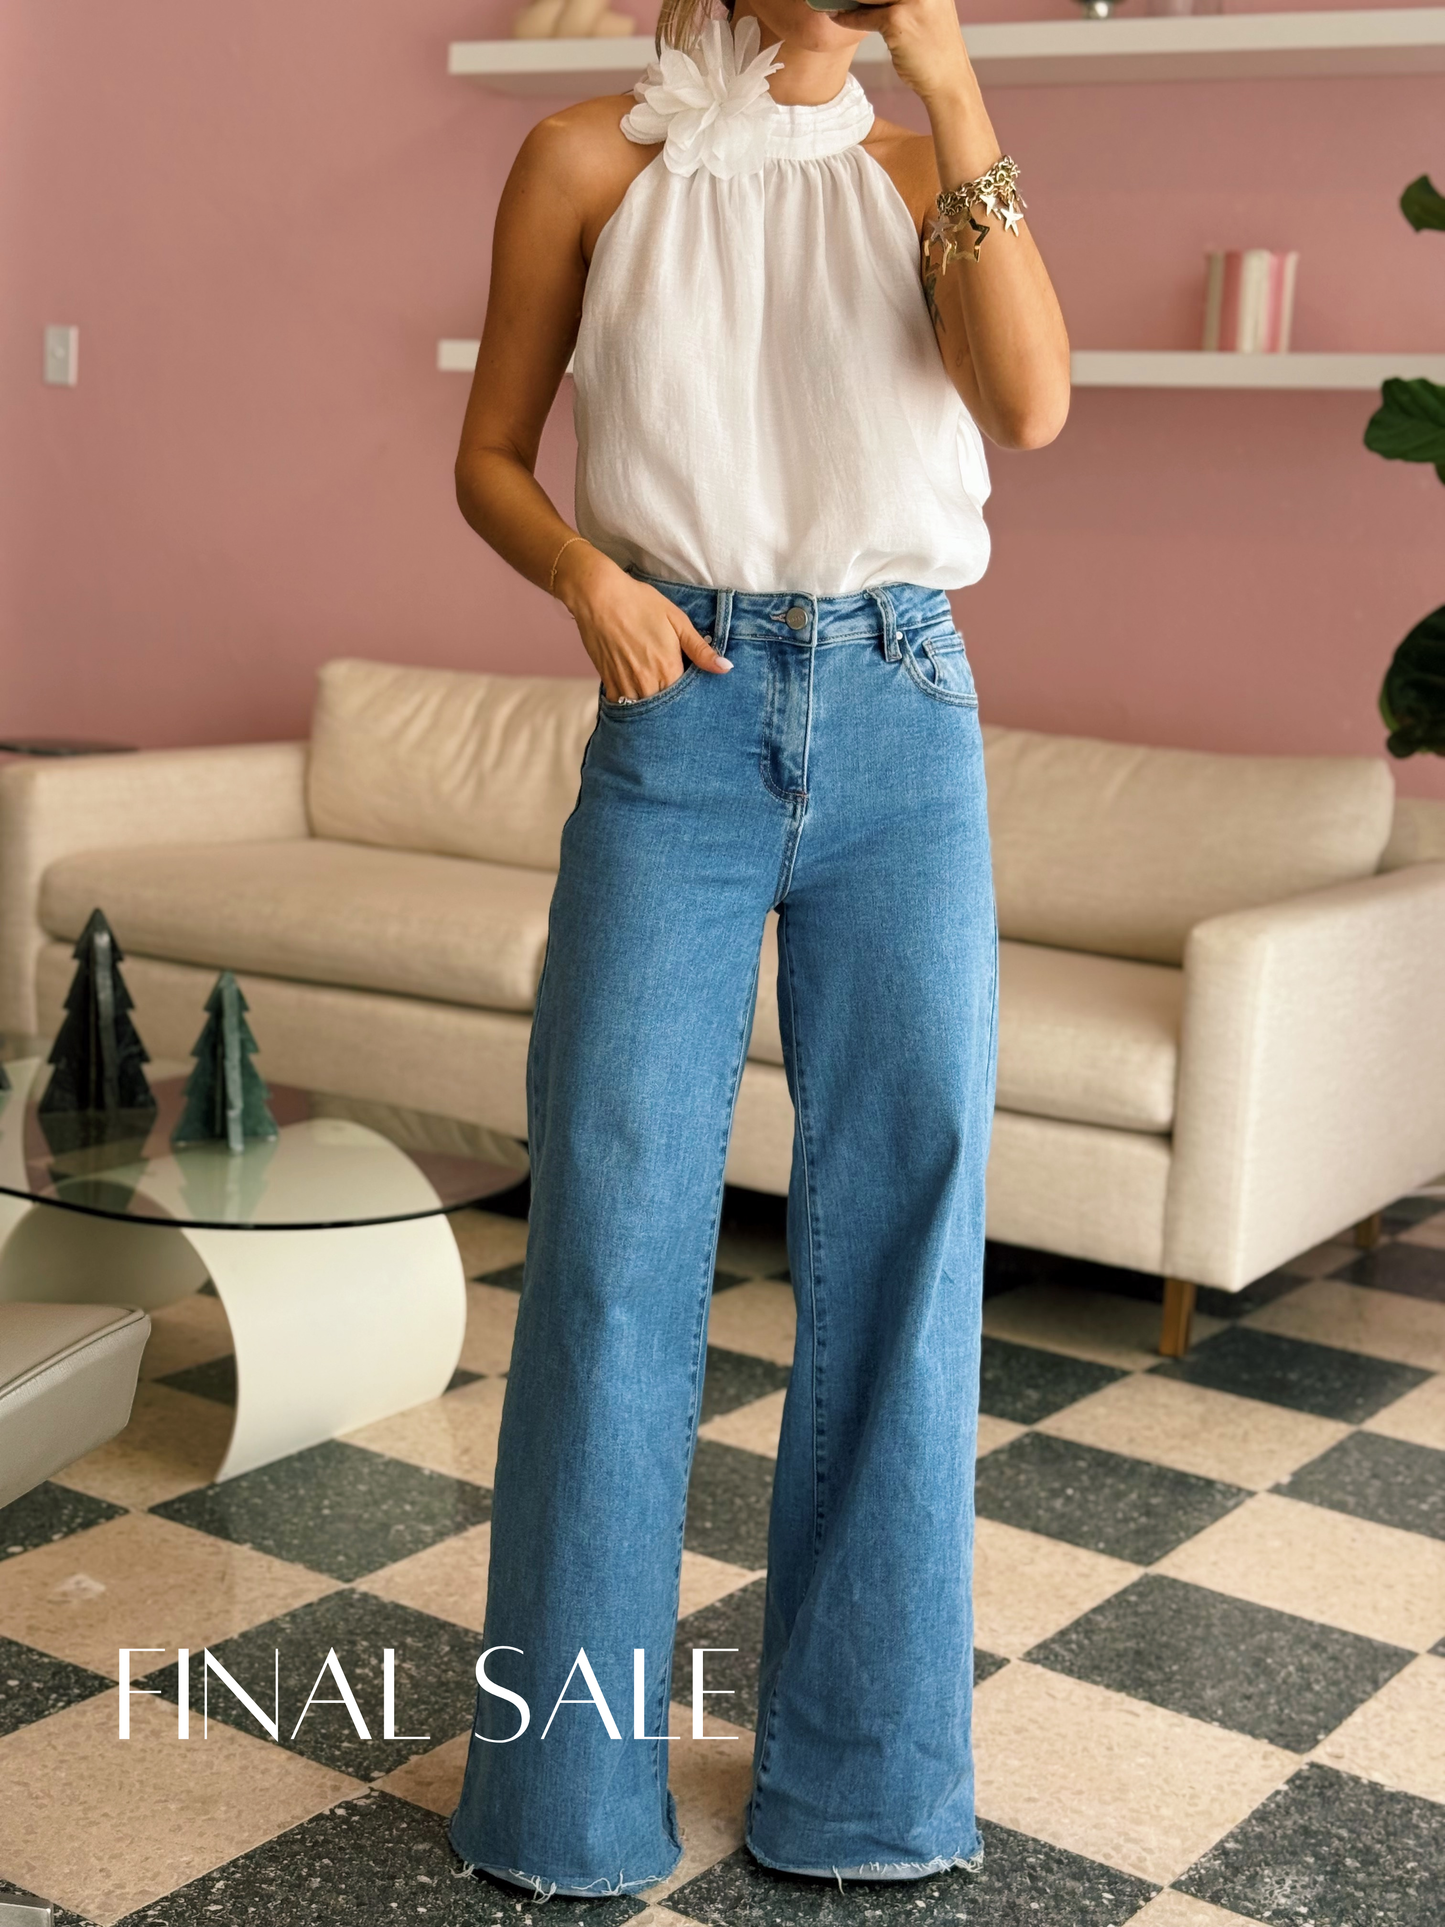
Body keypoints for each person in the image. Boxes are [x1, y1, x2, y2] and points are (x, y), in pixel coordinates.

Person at [447, 0, 1069, 1896]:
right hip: (681, 716)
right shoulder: (583, 161)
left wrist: (950, 74)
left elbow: (1031, 407)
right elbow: (485, 456)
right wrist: (589, 582)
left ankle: (864, 1792)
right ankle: (566, 1798)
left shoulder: (913, 168)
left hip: (904, 713)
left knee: (903, 1243)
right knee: (615, 1243)